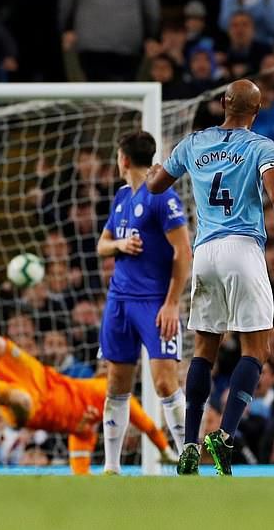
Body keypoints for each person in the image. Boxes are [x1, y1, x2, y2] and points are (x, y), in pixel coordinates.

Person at [147, 79, 274, 476]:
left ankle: (189, 444)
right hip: (243, 248)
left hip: (205, 252)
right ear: (257, 111)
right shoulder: (261, 147)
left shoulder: (194, 143)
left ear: (222, 105)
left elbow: (157, 184)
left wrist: (152, 172)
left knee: (204, 350)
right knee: (256, 349)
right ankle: (225, 434)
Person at [0, 289, 176, 475]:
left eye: (113, 362)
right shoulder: (86, 386)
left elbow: (149, 428)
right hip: (38, 375)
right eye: (105, 361)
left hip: (35, 410)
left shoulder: (91, 426)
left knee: (14, 398)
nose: (107, 365)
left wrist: (166, 451)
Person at [97, 131, 192, 474]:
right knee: (116, 382)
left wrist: (171, 304)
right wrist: (119, 246)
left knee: (165, 382)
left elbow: (183, 251)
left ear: (122, 158)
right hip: (119, 301)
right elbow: (102, 244)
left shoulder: (161, 196)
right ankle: (111, 466)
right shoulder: (122, 196)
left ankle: (188, 462)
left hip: (154, 303)